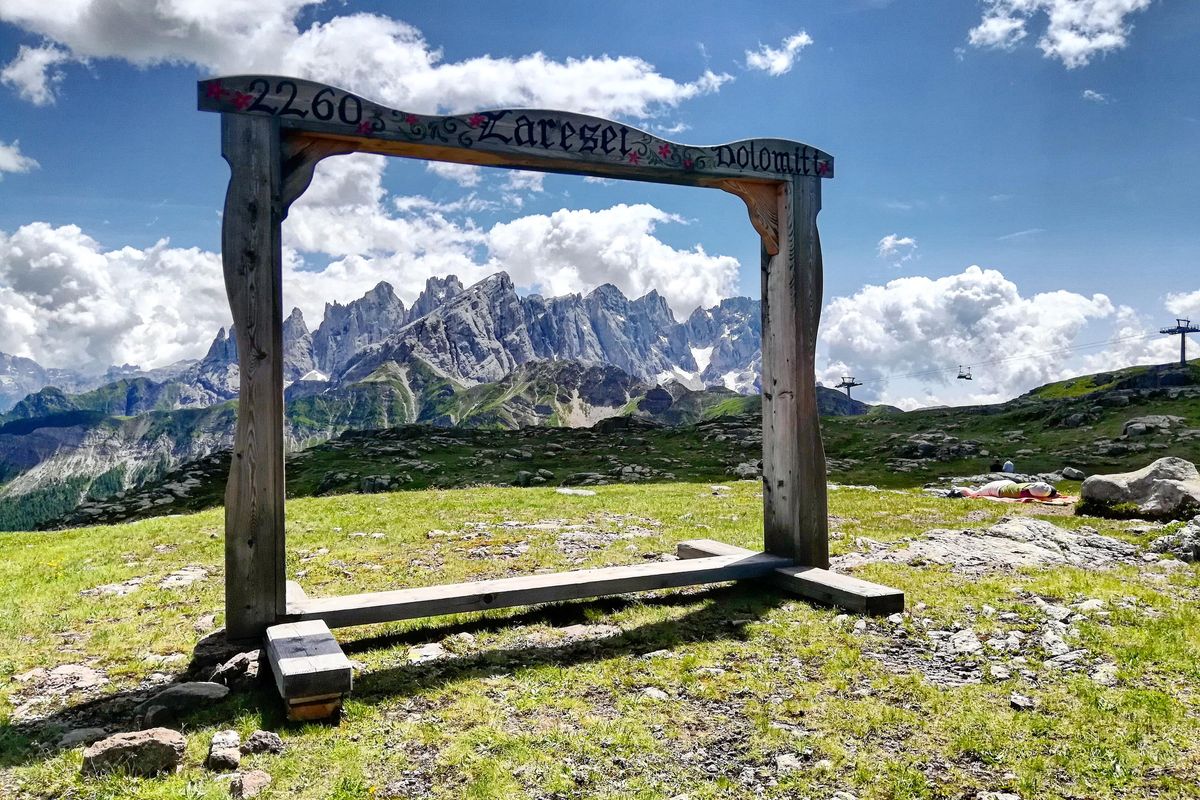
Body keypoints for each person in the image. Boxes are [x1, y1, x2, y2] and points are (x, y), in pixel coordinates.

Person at [950, 480, 1058, 500]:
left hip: (1007, 484)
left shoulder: (1030, 486)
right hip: (994, 489)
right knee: (973, 494)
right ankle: (958, 489)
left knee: (976, 492)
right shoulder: (1026, 495)